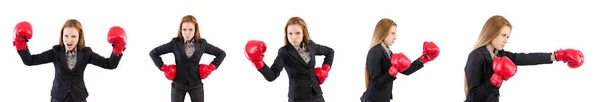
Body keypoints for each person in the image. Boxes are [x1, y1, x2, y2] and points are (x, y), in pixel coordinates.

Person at [463, 15, 584, 102]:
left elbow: (525, 58)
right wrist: (494, 79)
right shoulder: (476, 56)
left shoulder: (499, 54)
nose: (506, 41)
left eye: (508, 36)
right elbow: (473, 97)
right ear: (491, 33)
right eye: (503, 35)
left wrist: (556, 56)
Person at [14, 19, 126, 102]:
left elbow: (109, 64)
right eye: (66, 36)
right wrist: (20, 44)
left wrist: (118, 48)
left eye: (73, 36)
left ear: (79, 37)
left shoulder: (87, 53)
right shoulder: (55, 52)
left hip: (79, 97)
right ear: (62, 36)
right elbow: (31, 61)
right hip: (58, 97)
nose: (69, 40)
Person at [244, 16, 335, 102]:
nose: (293, 37)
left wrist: (325, 68)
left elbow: (330, 51)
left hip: (317, 95)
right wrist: (258, 62)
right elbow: (272, 75)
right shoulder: (284, 52)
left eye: (297, 33)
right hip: (298, 98)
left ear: (304, 33)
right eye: (290, 33)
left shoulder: (311, 45)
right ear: (286, 34)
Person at [360, 18, 440, 102]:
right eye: (393, 33)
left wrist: (424, 59)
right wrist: (392, 72)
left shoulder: (387, 51)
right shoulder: (375, 52)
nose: (395, 37)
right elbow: (376, 83)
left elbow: (407, 70)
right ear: (383, 33)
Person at [149, 15, 226, 102]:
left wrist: (211, 68)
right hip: (178, 84)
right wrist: (164, 68)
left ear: (195, 30)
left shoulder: (202, 44)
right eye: (184, 29)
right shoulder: (175, 43)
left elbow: (221, 53)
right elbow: (153, 53)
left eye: (190, 29)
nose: (187, 33)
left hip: (196, 84)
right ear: (180, 30)